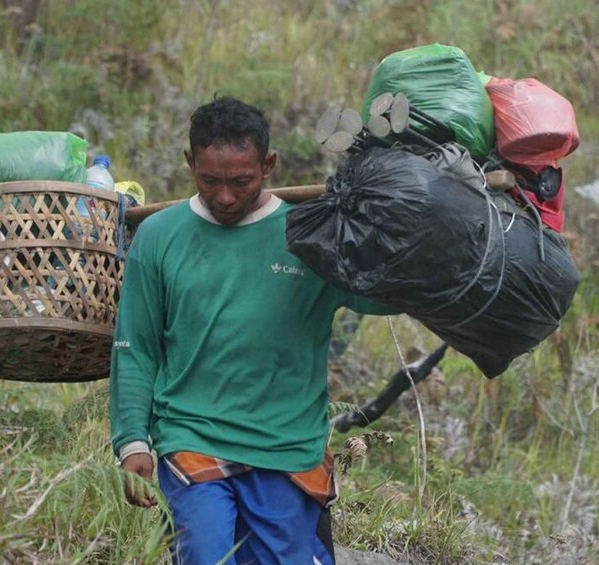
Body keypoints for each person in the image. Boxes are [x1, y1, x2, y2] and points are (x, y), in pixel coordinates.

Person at [109, 96, 396, 565]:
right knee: (204, 555)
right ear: (189, 163)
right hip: (192, 437)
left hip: (287, 448)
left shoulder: (311, 237)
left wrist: (397, 229)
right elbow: (135, 346)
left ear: (268, 165)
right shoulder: (160, 237)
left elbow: (382, 295)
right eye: (210, 181)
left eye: (240, 181)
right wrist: (133, 440)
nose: (225, 196)